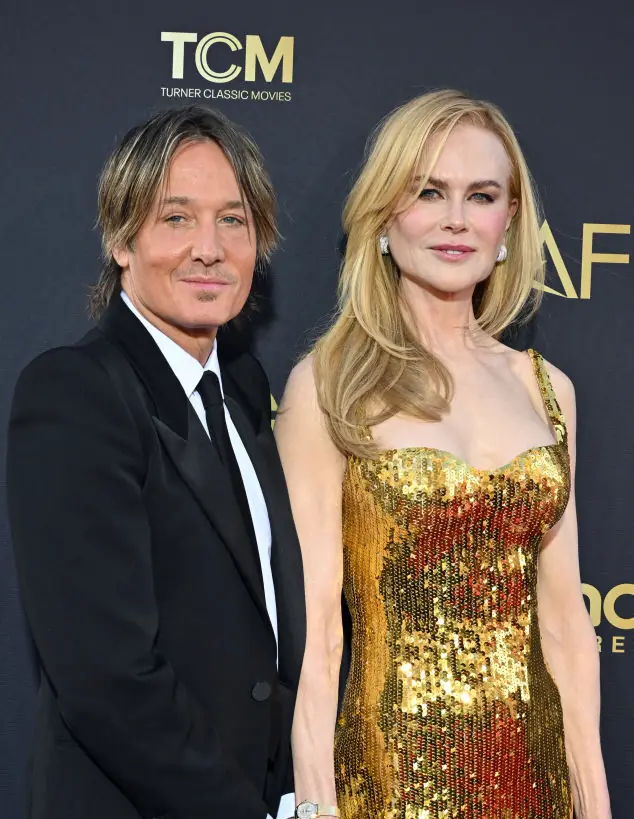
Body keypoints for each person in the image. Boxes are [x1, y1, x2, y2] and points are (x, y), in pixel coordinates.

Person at [275, 90, 611, 819]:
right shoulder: (329, 387)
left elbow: (564, 624)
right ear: (386, 216)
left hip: (536, 780)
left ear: (508, 221)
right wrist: (317, 804)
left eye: (481, 195)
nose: (457, 218)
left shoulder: (550, 390)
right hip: (391, 783)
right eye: (429, 191)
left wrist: (596, 806)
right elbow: (315, 634)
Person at [7, 105, 304, 819]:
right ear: (120, 238)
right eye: (176, 218)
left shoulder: (246, 390)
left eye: (233, 220)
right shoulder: (77, 391)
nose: (209, 247)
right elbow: (107, 676)